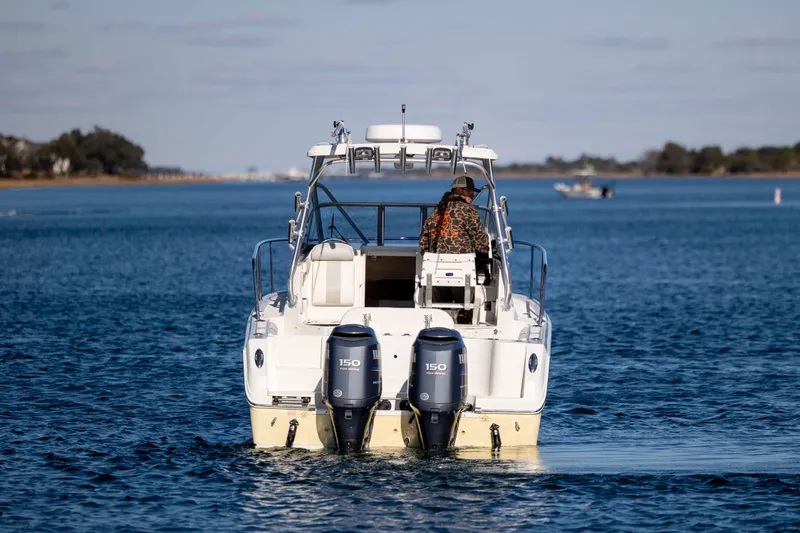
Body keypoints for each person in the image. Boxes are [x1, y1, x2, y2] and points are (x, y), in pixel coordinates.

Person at [419, 175, 490, 255]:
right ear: (459, 190)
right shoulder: (468, 210)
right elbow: (481, 242)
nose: (472, 195)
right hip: (461, 264)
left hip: (434, 264)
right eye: (469, 191)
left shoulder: (436, 210)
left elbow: (423, 242)